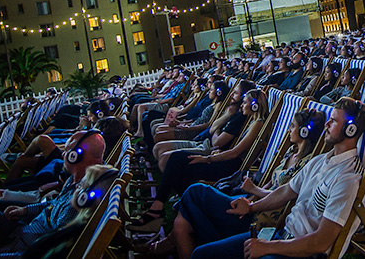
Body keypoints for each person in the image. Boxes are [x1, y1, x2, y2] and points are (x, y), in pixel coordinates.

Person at [195, 98, 365, 259]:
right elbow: (286, 191)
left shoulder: (348, 178)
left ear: (351, 129)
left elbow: (321, 242)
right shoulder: (320, 161)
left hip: (298, 254)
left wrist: (269, 247)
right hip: (281, 236)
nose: (326, 124)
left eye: (333, 121)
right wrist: (250, 207)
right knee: (201, 253)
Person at [137, 111, 326, 258]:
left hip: (261, 218)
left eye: (292, 126)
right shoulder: (290, 154)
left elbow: (284, 196)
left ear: (304, 131)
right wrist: (253, 193)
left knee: (195, 193)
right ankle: (171, 243)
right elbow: (270, 184)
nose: (288, 130)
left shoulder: (307, 165)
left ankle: (166, 243)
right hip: (251, 202)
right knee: (182, 221)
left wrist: (254, 191)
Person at [0, 130, 106, 256]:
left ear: (75, 156)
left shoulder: (79, 203)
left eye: (66, 152)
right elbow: (53, 204)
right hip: (23, 230)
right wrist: (24, 210)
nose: (63, 156)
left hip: (20, 245)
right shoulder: (77, 182)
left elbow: (44, 251)